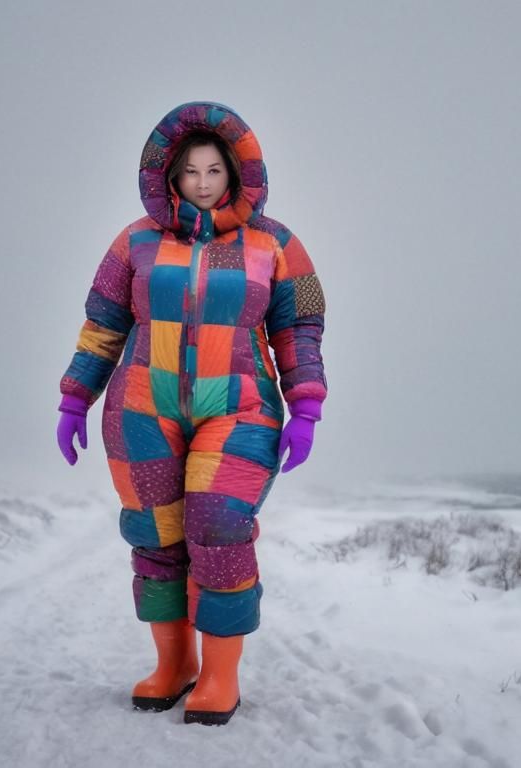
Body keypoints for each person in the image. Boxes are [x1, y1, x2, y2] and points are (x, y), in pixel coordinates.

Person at [54, 101, 328, 726]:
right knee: (156, 537)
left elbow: (302, 324)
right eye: (189, 173)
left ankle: (220, 675)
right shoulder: (135, 241)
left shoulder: (278, 243)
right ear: (169, 177)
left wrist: (306, 403)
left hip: (240, 407)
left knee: (219, 524)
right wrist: (76, 396)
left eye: (214, 170)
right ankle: (174, 664)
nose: (203, 184)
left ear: (235, 171)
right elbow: (102, 321)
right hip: (141, 407)